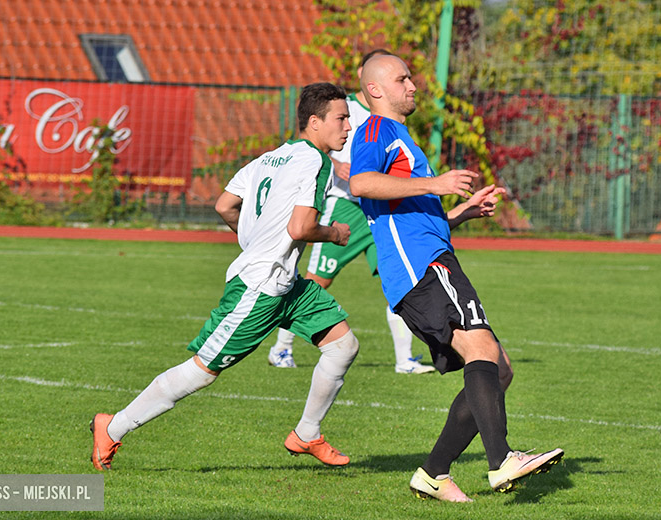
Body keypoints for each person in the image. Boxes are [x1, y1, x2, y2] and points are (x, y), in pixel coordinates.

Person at [90, 82, 360, 471]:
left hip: (287, 284)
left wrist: (255, 240)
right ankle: (113, 426)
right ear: (315, 122)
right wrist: (334, 233)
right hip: (261, 287)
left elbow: (224, 205)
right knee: (202, 371)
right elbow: (301, 228)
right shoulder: (316, 162)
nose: (348, 126)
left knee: (343, 346)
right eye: (341, 118)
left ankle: (306, 433)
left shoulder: (269, 158)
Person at [349, 54, 564, 502]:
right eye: (402, 79)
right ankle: (502, 460)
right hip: (422, 266)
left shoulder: (400, 136)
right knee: (482, 350)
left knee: (498, 370)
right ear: (375, 89)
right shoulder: (376, 130)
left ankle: (433, 474)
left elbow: (408, 214)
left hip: (430, 259)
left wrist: (460, 213)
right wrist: (436, 184)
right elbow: (362, 183)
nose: (412, 85)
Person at [268, 49, 435, 375]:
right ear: (365, 75)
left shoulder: (389, 113)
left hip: (381, 212)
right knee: (319, 280)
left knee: (397, 279)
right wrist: (336, 163)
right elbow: (307, 141)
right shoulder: (345, 107)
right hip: (345, 208)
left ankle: (404, 360)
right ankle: (281, 348)